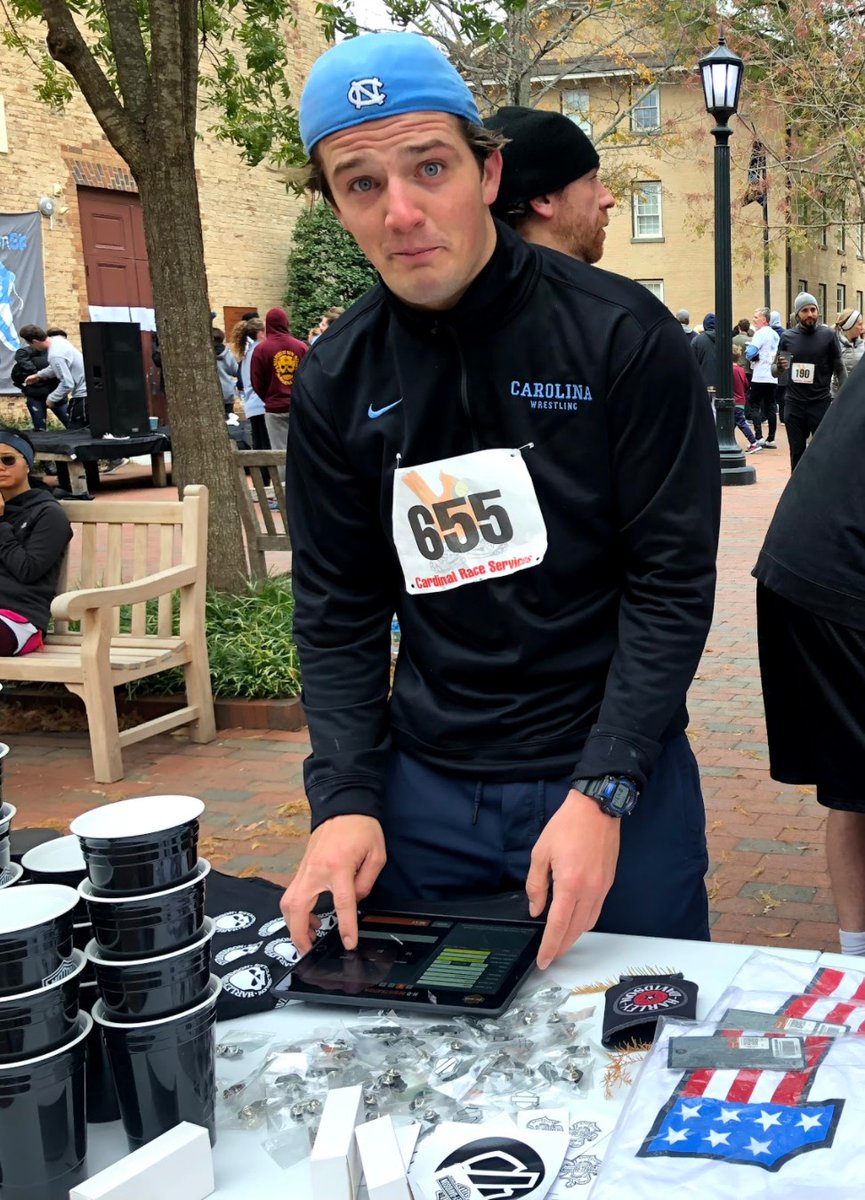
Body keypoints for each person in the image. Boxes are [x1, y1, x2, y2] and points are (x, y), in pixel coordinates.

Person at [280, 32, 720, 969]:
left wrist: (604, 789)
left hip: (611, 776)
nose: (401, 212)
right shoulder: (335, 376)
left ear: (487, 172)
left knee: (637, 1055)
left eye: (428, 167)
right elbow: (337, 611)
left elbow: (670, 580)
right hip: (426, 792)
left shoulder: (620, 336)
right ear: (336, 206)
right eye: (360, 184)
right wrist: (347, 801)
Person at [754, 361, 865, 955]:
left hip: (802, 559)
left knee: (854, 787)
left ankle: (857, 958)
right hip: (839, 572)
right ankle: (858, 963)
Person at [483, 106, 615, 265]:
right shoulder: (613, 290)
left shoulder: (464, 287)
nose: (608, 199)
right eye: (592, 179)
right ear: (543, 199)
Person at [0, 429, 72, 657]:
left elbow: (28, 570)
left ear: (28, 464)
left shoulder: (49, 514)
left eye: (8, 460)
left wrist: (0, 524)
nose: (0, 467)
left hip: (18, 621)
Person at [774, 292, 845, 469]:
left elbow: (840, 368)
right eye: (805, 310)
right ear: (797, 314)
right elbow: (775, 371)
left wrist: (845, 396)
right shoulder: (788, 337)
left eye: (813, 309)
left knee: (823, 452)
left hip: (820, 404)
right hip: (794, 405)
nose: (810, 314)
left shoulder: (828, 335)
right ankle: (797, 494)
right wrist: (781, 367)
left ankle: (823, 491)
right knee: (796, 453)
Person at [249, 307, 307, 470]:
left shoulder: (261, 349)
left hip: (274, 408)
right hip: (298, 406)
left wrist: (268, 397)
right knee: (303, 449)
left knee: (280, 451)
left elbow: (257, 380)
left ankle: (284, 490)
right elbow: (310, 376)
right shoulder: (301, 347)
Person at [230, 316, 274, 497]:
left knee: (260, 444)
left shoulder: (247, 353)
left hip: (252, 405)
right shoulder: (259, 351)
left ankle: (262, 485)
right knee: (267, 446)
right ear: (261, 333)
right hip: (262, 404)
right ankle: (266, 487)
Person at [21, 325, 87, 428]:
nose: (32, 347)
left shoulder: (55, 354)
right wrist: (39, 375)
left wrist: (51, 398)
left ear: (35, 342)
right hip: (88, 392)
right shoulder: (58, 341)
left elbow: (67, 384)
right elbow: (58, 366)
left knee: (76, 432)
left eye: (30, 344)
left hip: (83, 396)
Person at [11, 333, 69, 431]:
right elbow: (16, 377)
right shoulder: (55, 357)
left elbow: (15, 378)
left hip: (49, 397)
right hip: (43, 397)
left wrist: (26, 389)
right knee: (73, 427)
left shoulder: (54, 357)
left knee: (41, 430)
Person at [745, 306, 779, 447]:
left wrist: (749, 353)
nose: (754, 319)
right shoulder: (775, 335)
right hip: (772, 375)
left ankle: (758, 436)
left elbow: (751, 352)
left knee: (754, 404)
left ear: (764, 320)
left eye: (756, 317)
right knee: (771, 405)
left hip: (759, 374)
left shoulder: (760, 333)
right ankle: (771, 438)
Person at [732, 344, 761, 452]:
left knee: (741, 422)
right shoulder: (740, 369)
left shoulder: (730, 370)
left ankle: (754, 442)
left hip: (734, 400)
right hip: (741, 399)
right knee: (734, 423)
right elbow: (745, 384)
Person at [834, 307, 865, 390]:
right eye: (860, 324)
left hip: (859, 397)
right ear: (849, 326)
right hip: (839, 398)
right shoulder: (834, 345)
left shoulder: (863, 345)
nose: (863, 327)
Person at [213, 327, 239, 417]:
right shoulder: (227, 353)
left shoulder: (204, 354)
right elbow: (236, 371)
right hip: (227, 392)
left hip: (212, 394)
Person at [691, 312, 717, 395]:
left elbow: (691, 363)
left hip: (702, 383)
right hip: (721, 384)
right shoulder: (724, 339)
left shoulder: (697, 340)